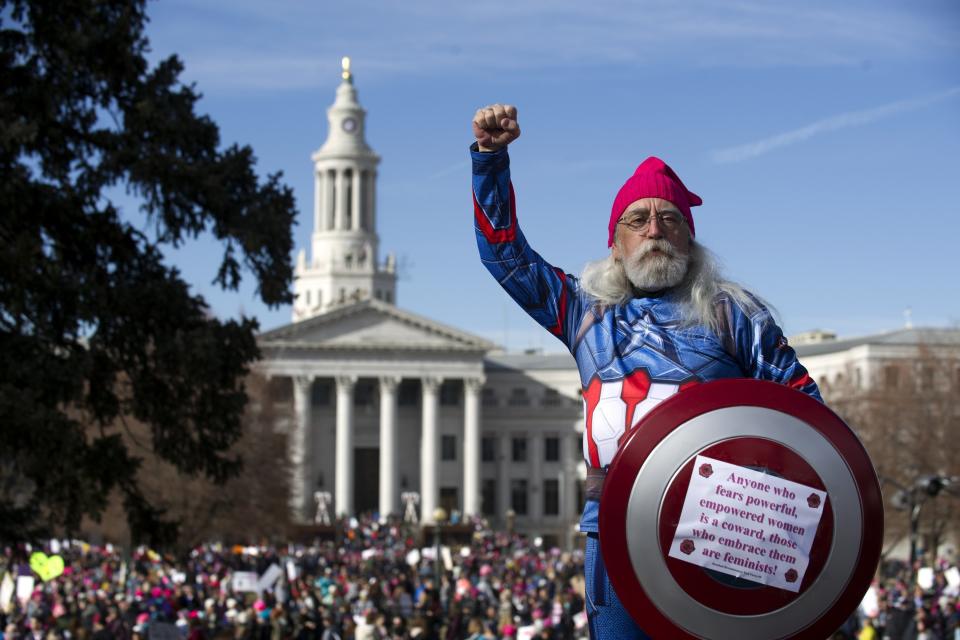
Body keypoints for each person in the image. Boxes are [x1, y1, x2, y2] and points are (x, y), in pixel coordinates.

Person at [470, 104, 822, 639]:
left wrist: (773, 497)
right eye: (638, 219)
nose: (654, 229)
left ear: (690, 238)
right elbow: (506, 258)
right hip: (613, 537)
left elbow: (806, 414)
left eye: (670, 219)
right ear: (615, 243)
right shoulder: (583, 312)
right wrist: (491, 161)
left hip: (719, 538)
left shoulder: (734, 314)